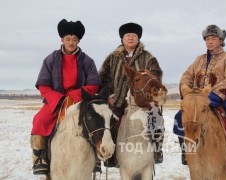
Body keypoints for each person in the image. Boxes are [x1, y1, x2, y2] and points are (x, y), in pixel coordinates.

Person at [173, 24, 226, 166]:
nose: (210, 41)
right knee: (179, 117)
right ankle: (186, 150)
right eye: (207, 39)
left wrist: (214, 96)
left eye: (213, 38)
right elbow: (187, 76)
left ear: (220, 40)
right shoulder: (199, 60)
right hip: (200, 101)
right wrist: (187, 92)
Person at [30, 19, 101, 175]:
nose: (71, 42)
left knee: (95, 121)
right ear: (62, 40)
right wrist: (59, 99)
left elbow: (94, 84)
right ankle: (40, 158)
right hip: (56, 101)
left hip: (80, 101)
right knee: (39, 120)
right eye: (68, 39)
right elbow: (43, 85)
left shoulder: (87, 61)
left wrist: (75, 95)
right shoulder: (50, 59)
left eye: (74, 39)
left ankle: (95, 157)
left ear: (79, 41)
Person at [98, 22, 164, 166]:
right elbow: (104, 78)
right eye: (127, 35)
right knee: (110, 123)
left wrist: (150, 87)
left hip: (143, 101)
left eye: (134, 35)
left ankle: (156, 151)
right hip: (118, 99)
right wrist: (108, 95)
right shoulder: (113, 57)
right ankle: (112, 156)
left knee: (156, 119)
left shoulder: (148, 57)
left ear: (138, 38)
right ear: (122, 38)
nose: (130, 38)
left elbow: (157, 75)